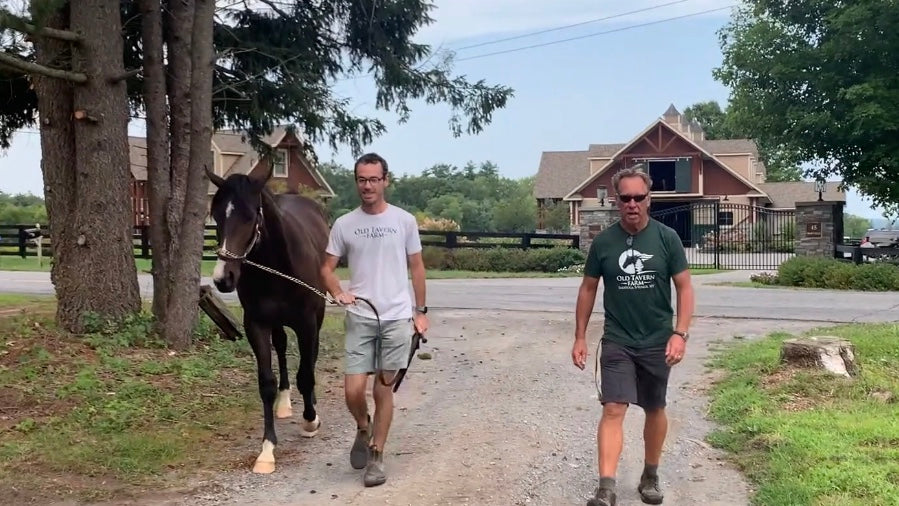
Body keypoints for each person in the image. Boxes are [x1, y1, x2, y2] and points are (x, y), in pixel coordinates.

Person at [571, 165, 695, 506]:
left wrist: (680, 334)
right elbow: (587, 289)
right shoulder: (604, 242)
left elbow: (684, 288)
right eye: (625, 197)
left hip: (657, 340)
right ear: (617, 199)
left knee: (655, 407)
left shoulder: (666, 238)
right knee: (613, 408)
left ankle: (650, 475)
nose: (632, 203)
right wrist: (580, 337)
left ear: (649, 199)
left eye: (639, 197)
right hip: (617, 340)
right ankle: (607, 487)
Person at [321, 152, 430, 488]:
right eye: (361, 180)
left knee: (383, 389)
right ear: (356, 182)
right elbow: (326, 268)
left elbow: (417, 267)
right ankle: (362, 425)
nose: (367, 186)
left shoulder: (404, 221)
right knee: (353, 391)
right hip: (360, 316)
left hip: (397, 318)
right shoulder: (344, 224)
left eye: (373, 179)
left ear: (385, 181)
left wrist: (420, 312)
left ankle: (377, 456)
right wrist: (338, 291)